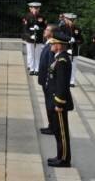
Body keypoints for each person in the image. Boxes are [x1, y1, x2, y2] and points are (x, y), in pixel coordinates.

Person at [46, 31, 74, 168]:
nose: (51, 45)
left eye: (53, 43)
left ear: (59, 45)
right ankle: (59, 155)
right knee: (57, 131)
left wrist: (59, 103)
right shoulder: (58, 57)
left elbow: (62, 85)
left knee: (62, 132)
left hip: (59, 103)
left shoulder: (62, 60)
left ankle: (64, 159)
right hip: (55, 101)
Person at [38, 24, 58, 135]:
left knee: (50, 105)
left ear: (52, 33)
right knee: (48, 104)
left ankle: (53, 127)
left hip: (48, 82)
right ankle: (51, 125)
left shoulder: (51, 45)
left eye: (47, 30)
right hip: (45, 81)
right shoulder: (48, 44)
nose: (44, 31)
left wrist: (47, 80)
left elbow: (51, 65)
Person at [22, 2, 47, 76]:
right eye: (33, 8)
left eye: (37, 8)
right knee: (31, 54)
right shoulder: (27, 16)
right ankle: (32, 69)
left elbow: (45, 27)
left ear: (39, 9)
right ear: (30, 8)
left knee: (37, 54)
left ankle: (37, 69)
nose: (35, 10)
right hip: (30, 39)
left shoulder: (42, 17)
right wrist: (30, 36)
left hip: (38, 39)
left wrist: (39, 29)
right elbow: (25, 29)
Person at [60, 13, 84, 87]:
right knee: (63, 65)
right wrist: (68, 40)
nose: (72, 21)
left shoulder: (77, 29)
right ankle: (64, 80)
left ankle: (72, 81)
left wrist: (75, 41)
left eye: (73, 20)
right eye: (70, 20)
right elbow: (60, 38)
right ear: (66, 19)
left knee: (73, 66)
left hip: (74, 50)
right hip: (65, 49)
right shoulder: (62, 28)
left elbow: (81, 40)